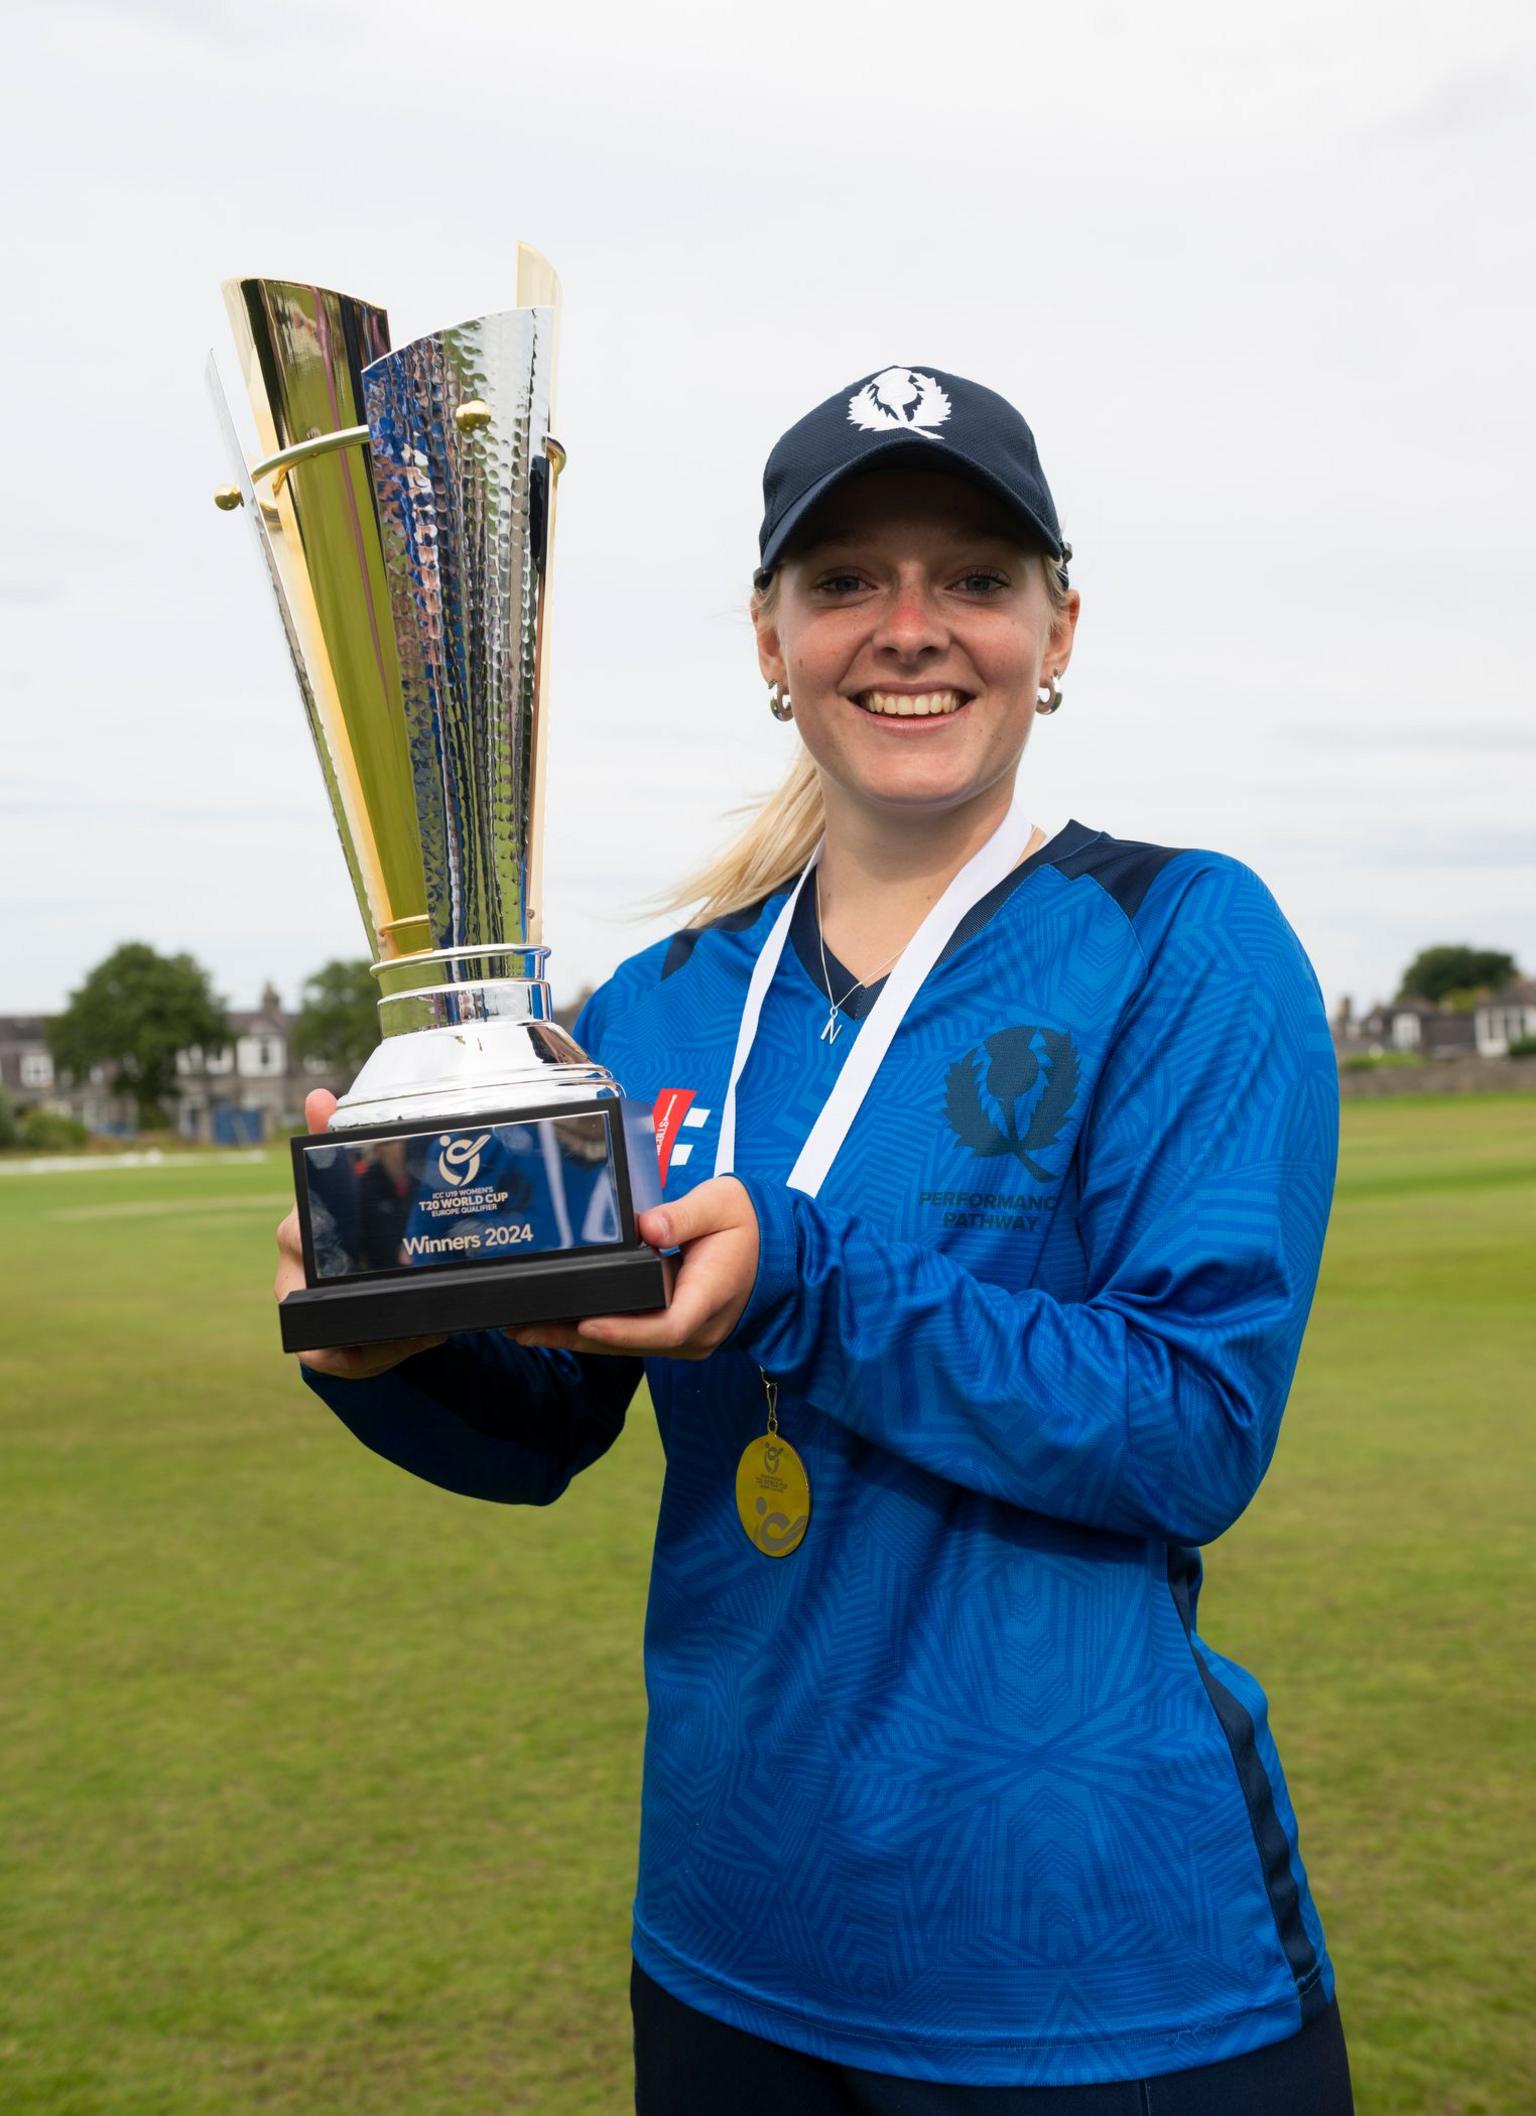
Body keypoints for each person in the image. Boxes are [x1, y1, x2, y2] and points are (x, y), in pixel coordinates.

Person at [276, 365, 1354, 2114]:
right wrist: (376, 1343)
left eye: (974, 580)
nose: (908, 630)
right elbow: (550, 1425)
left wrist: (804, 1276)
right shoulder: (660, 1004)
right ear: (768, 641)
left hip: (1095, 1968)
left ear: (1057, 628)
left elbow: (1191, 1427)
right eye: (844, 580)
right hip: (728, 1939)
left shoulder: (1182, 937)